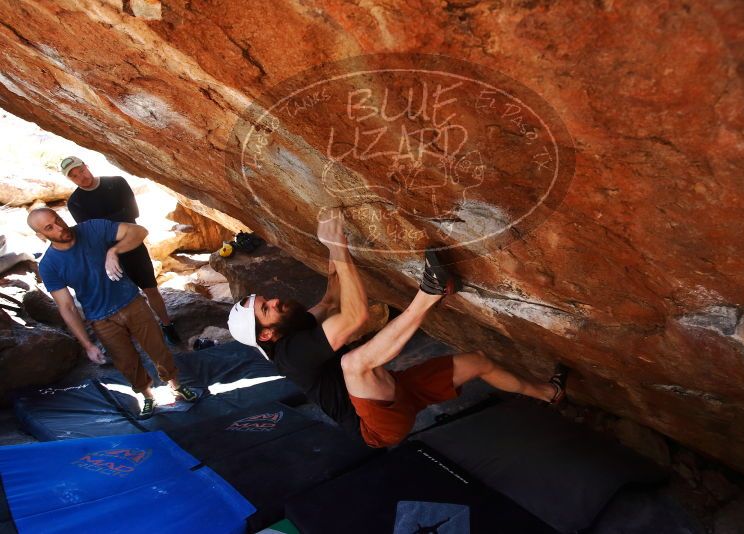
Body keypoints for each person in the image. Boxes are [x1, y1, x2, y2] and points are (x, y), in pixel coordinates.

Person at [228, 209, 568, 448]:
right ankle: (431, 291)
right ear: (266, 335)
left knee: (478, 361)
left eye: (266, 299)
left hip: (390, 394)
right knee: (353, 364)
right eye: (266, 309)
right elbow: (354, 318)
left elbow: (332, 298)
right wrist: (338, 247)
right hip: (374, 427)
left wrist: (333, 235)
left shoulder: (292, 326)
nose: (274, 301)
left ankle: (549, 394)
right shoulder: (290, 355)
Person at [27, 207, 197, 419]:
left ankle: (176, 385)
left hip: (131, 302)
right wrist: (87, 345)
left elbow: (139, 231)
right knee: (126, 361)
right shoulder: (49, 265)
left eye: (58, 219)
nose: (60, 227)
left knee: (157, 348)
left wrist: (113, 251)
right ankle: (147, 396)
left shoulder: (92, 228)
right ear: (41, 235)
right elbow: (66, 306)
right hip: (101, 318)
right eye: (50, 227)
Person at [59, 156, 181, 345]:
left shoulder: (116, 183)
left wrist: (104, 225)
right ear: (71, 180)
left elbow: (132, 213)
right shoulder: (75, 202)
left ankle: (167, 325)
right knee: (127, 298)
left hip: (133, 245)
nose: (81, 177)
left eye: (81, 170)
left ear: (86, 166)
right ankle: (144, 334)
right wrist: (115, 222)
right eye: (74, 176)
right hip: (106, 254)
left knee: (150, 288)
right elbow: (91, 231)